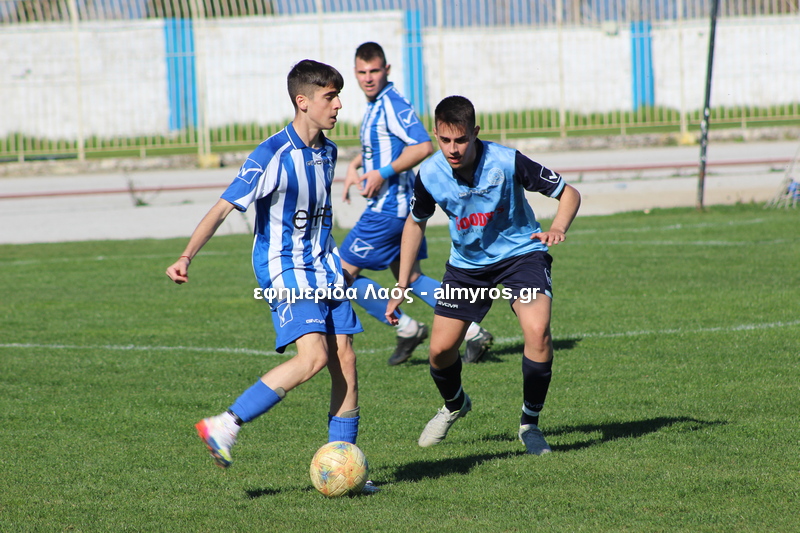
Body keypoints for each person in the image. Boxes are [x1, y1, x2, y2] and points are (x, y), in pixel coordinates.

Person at [165, 60, 366, 471]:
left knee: (345, 359)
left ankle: (342, 466)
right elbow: (223, 208)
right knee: (313, 358)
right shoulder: (271, 154)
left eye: (338, 96)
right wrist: (186, 256)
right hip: (284, 268)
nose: (339, 105)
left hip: (324, 266)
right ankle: (225, 423)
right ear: (303, 101)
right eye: (330, 97)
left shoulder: (328, 151)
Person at [386, 95, 581, 455]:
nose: (453, 148)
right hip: (467, 269)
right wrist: (401, 284)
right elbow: (415, 223)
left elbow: (568, 193)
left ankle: (530, 425)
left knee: (537, 331)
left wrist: (557, 227)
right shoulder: (429, 173)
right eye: (445, 140)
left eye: (461, 139)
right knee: (440, 352)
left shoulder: (506, 161)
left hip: (521, 256)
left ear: (475, 132)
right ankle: (455, 403)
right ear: (436, 134)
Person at [340, 42, 493, 366]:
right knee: (410, 278)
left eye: (374, 70)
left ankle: (407, 328)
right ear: (355, 73)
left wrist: (381, 173)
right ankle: (472, 332)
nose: (368, 77)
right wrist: (356, 165)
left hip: (387, 211)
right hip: (397, 209)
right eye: (362, 72)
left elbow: (423, 145)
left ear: (386, 70)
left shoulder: (391, 104)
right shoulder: (376, 105)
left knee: (339, 276)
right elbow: (385, 148)